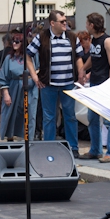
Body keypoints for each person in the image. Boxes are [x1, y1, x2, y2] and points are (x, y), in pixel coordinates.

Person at [25, 11, 84, 156]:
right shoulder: (42, 37)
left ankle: (73, 147)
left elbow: (78, 57)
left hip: (68, 83)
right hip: (48, 84)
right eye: (62, 21)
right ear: (53, 23)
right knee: (49, 117)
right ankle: (49, 146)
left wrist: (81, 72)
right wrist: (34, 76)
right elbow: (28, 55)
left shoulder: (72, 37)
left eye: (65, 21)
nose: (65, 23)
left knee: (70, 115)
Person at [79, 13, 110, 162]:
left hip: (104, 83)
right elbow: (93, 58)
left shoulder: (107, 41)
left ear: (92, 25)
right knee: (92, 118)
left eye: (87, 23)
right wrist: (83, 69)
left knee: (108, 119)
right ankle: (95, 150)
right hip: (94, 83)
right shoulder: (95, 40)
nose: (86, 25)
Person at [0, 27, 38, 141]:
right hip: (14, 87)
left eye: (17, 41)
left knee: (30, 114)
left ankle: (28, 140)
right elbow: (3, 77)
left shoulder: (32, 57)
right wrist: (6, 94)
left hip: (30, 88)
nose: (14, 44)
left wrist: (34, 76)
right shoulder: (9, 59)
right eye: (13, 41)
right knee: (11, 113)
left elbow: (39, 69)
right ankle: (10, 136)